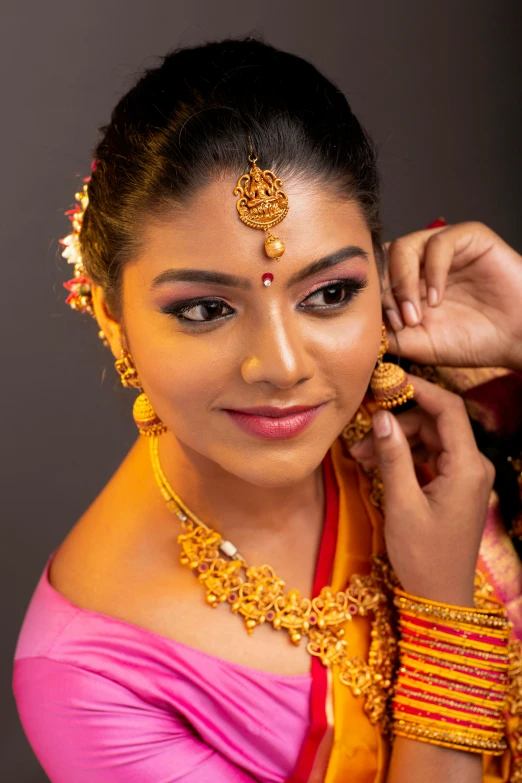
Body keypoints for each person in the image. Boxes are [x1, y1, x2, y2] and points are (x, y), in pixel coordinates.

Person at [11, 37, 522, 783]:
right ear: (110, 314)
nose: (282, 365)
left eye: (329, 294)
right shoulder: (90, 680)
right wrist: (442, 614)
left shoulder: (445, 393)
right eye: (207, 307)